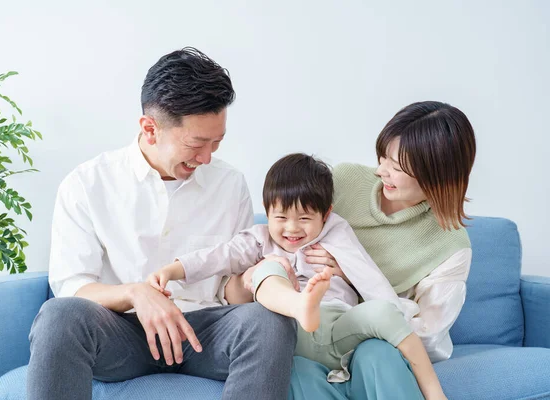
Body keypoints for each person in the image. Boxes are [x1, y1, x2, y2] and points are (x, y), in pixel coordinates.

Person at [27, 47, 298, 400]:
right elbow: (74, 285)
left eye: (217, 142)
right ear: (150, 129)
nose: (207, 157)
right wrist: (136, 293)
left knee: (271, 322)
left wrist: (252, 281)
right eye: (197, 143)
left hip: (204, 331)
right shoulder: (87, 184)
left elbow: (231, 290)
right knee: (58, 317)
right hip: (122, 332)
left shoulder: (230, 184)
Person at [225, 101, 476, 400]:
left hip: (374, 340)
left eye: (396, 168)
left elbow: (428, 338)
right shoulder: (344, 182)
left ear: (438, 175)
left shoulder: (451, 246)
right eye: (382, 157)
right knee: (291, 367)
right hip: (310, 333)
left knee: (377, 356)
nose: (382, 171)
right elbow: (280, 237)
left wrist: (351, 276)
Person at [148, 153, 448, 399]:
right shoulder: (259, 239)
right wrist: (173, 269)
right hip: (291, 333)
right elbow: (218, 255)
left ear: (326, 214)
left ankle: (434, 393)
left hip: (339, 326)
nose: (291, 229)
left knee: (384, 311)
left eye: (304, 218)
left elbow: (369, 278)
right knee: (270, 267)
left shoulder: (336, 232)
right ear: (267, 212)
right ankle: (299, 304)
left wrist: (388, 312)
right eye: (281, 218)